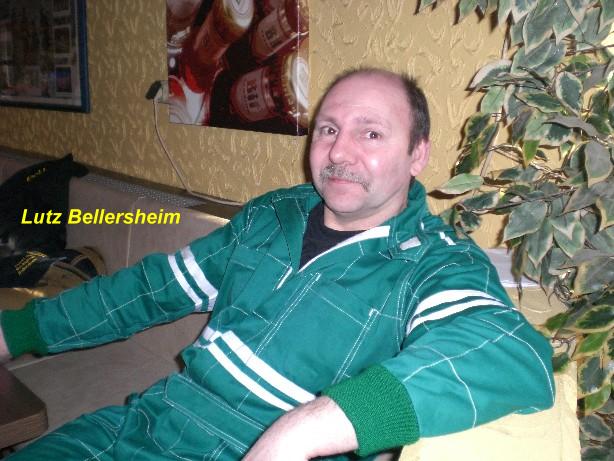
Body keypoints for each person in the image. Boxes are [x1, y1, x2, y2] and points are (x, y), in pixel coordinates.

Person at [0, 68, 555, 461]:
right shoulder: (273, 214)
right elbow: (150, 289)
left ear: (418, 154)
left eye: (371, 133)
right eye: (329, 130)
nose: (339, 152)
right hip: (142, 424)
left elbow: (510, 354)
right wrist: (14, 332)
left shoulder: (433, 263)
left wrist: (303, 430)